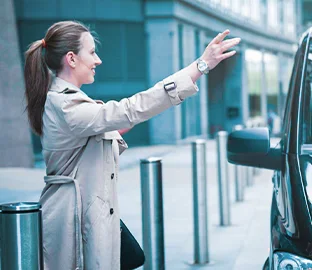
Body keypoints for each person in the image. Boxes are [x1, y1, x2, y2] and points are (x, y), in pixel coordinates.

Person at [23, 20, 240, 270]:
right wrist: (201, 66)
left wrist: (132, 116)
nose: (98, 60)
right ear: (71, 59)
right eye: (92, 52)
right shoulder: (65, 105)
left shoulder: (72, 103)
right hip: (72, 223)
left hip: (85, 216)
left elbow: (119, 120)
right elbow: (128, 111)